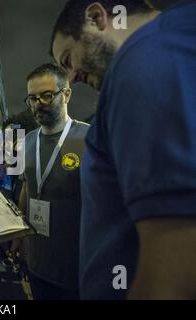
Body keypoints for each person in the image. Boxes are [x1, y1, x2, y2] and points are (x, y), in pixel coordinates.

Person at [51, 0, 196, 299]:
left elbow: (175, 268)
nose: (73, 76)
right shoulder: (177, 40)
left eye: (68, 60)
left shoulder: (142, 63)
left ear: (95, 17)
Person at [17, 63, 89, 299]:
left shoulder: (87, 139)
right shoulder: (27, 142)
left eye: (47, 96)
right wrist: (18, 235)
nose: (39, 103)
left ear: (66, 94)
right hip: (36, 263)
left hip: (75, 271)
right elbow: (27, 187)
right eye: (32, 98)